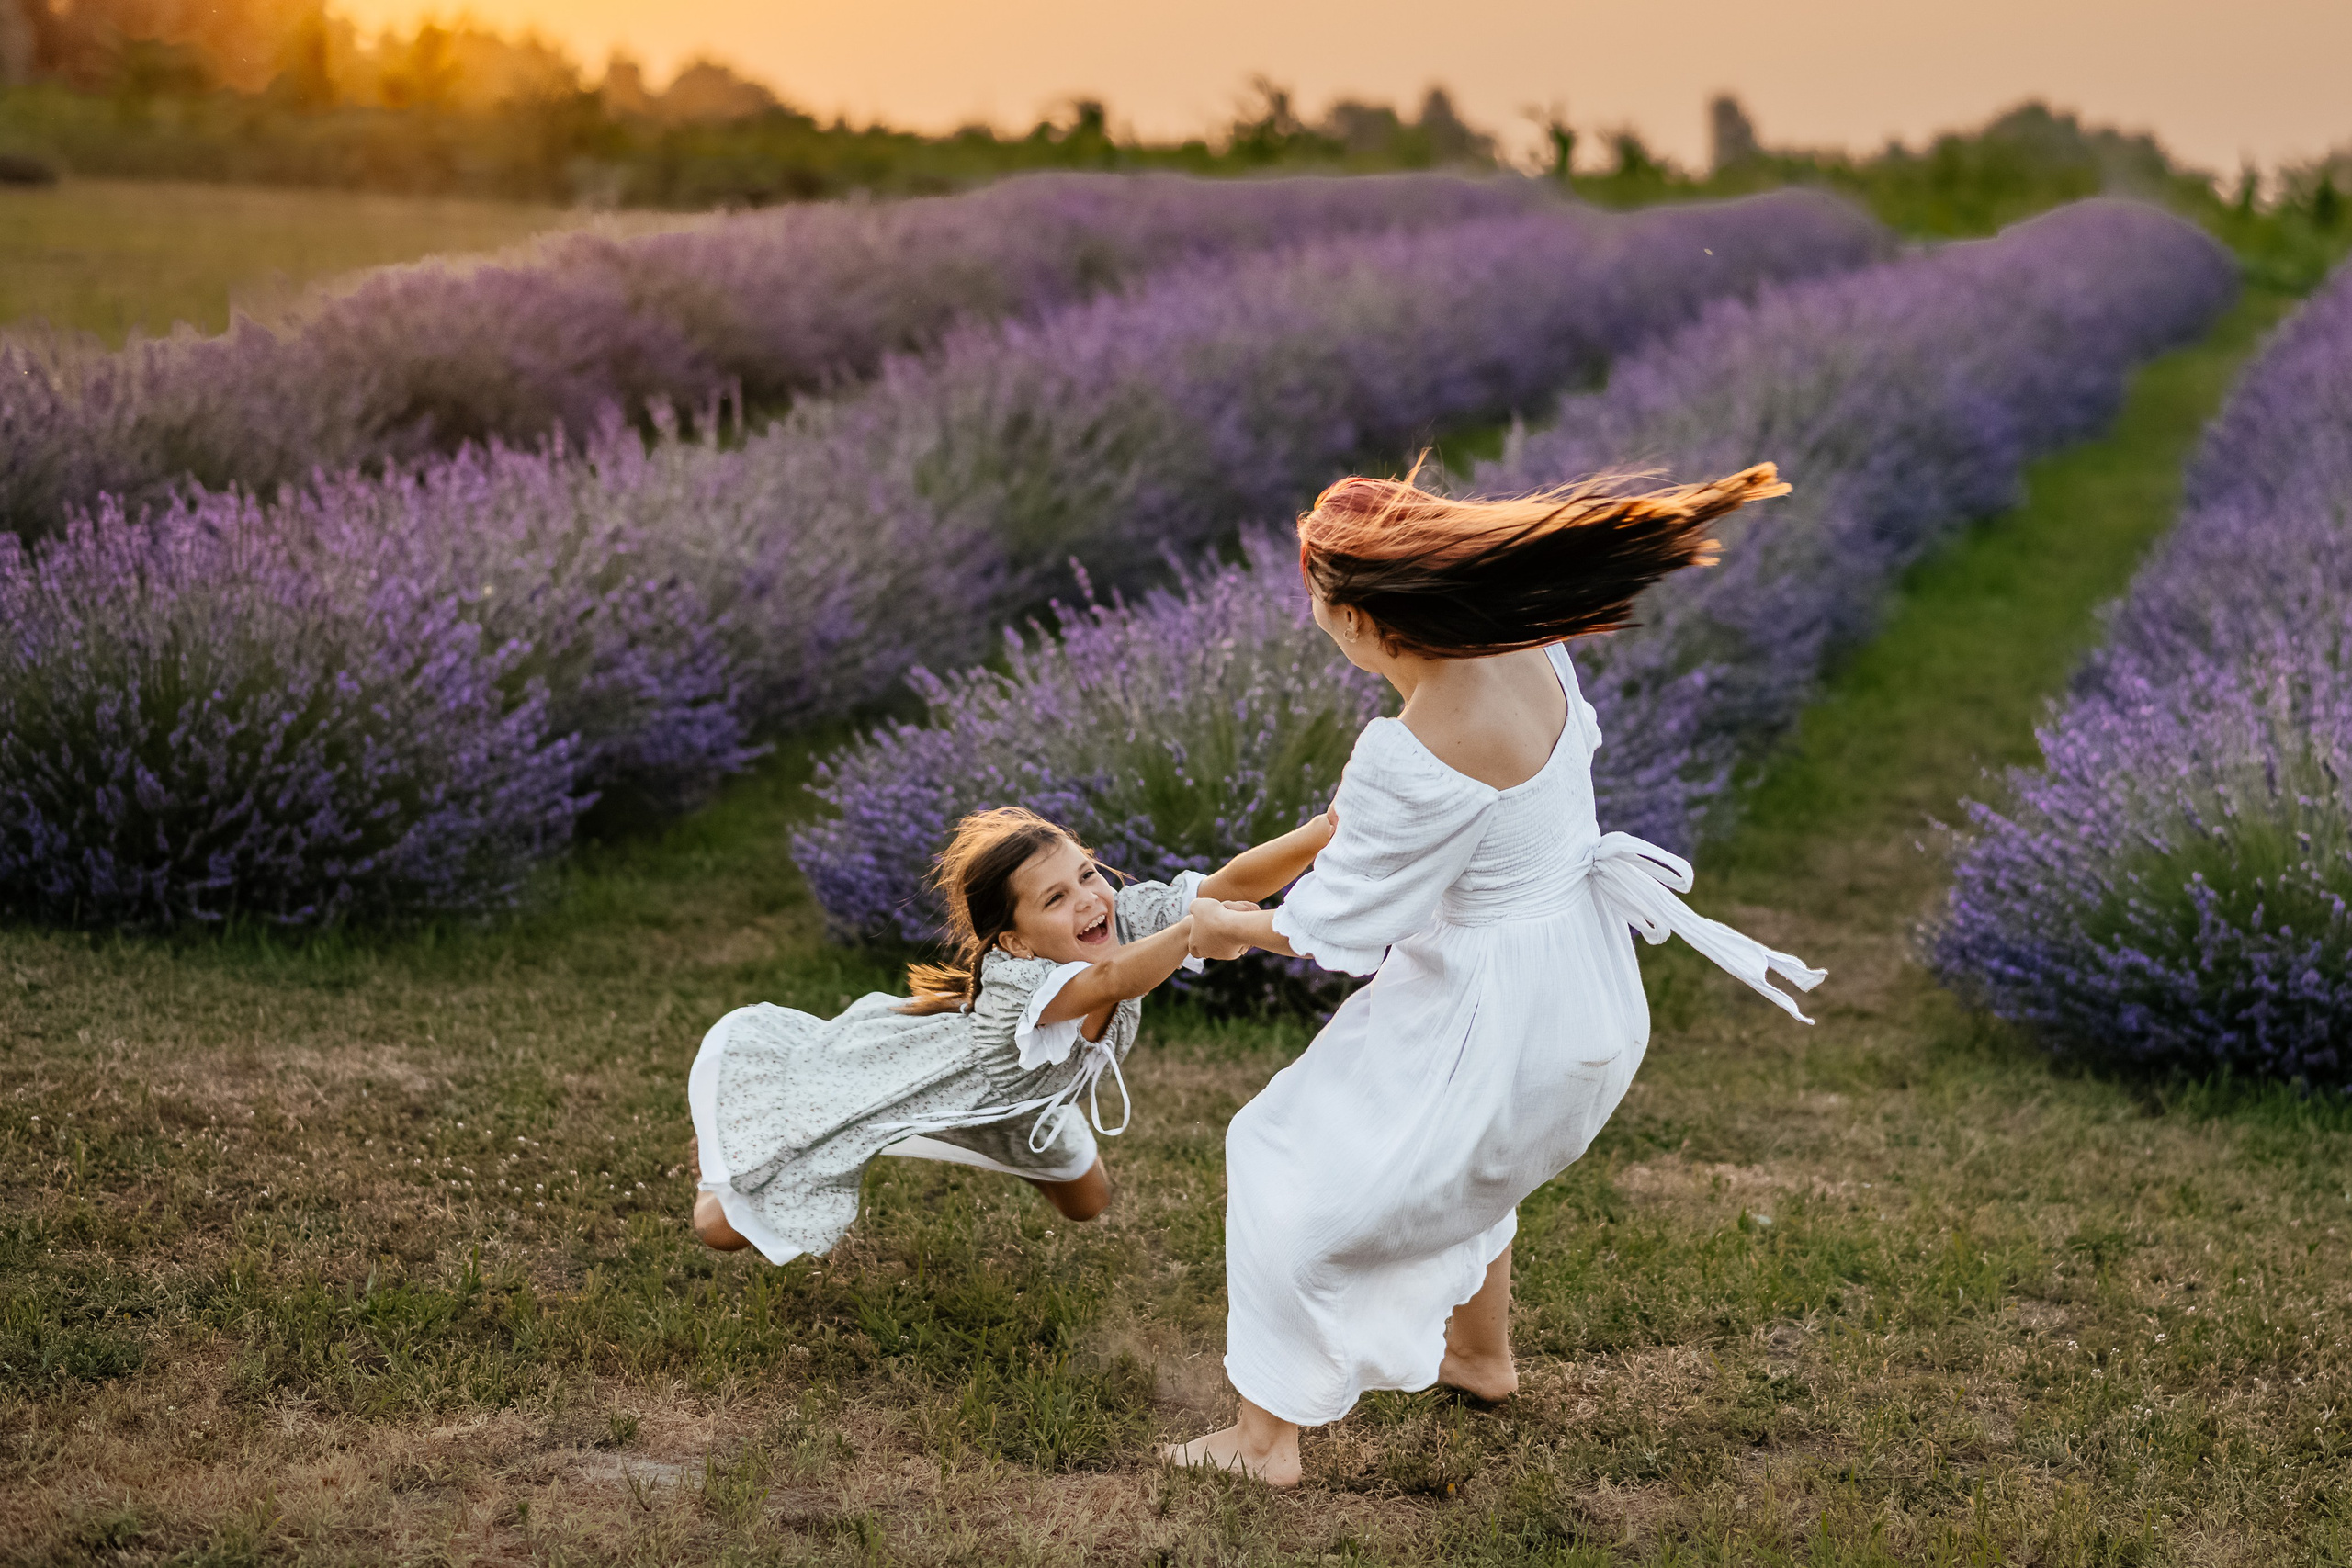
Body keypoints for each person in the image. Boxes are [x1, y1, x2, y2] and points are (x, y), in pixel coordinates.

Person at [1168, 463, 1826, 1486]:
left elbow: (1334, 931)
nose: (1313, 622)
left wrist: (1221, 927)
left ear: (1358, 617)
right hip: (1584, 995)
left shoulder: (1414, 741)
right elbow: (1403, 829)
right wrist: (1267, 871)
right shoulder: (1535, 648)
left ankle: (1263, 1442)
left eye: (1316, 606)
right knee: (1475, 1158)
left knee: (1277, 1156)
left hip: (1493, 1010)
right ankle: (1478, 1359)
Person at [687, 805, 1333, 1263]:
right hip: (915, 1085)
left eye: (1087, 873)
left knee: (1089, 1200)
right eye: (1055, 899)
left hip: (1023, 1109)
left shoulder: (1122, 917)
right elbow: (1112, 980)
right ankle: (727, 1137)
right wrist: (1210, 931)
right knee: (724, 1225)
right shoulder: (1021, 983)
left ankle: (1008, 1152)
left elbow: (1225, 886)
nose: (1088, 898)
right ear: (1017, 941)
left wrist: (1324, 830)